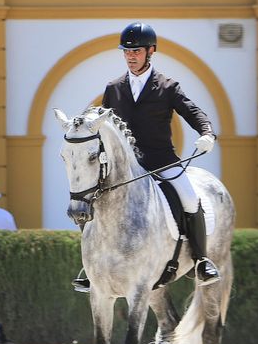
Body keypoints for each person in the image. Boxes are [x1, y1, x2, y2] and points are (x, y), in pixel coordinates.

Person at [73, 21, 219, 293]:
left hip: (162, 161)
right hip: (126, 168)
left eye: (136, 51)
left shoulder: (167, 86)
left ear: (151, 51)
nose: (131, 56)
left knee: (190, 199)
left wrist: (207, 133)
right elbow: (101, 123)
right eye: (127, 52)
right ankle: (90, 267)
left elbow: (193, 112)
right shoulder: (114, 88)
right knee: (89, 199)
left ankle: (201, 260)